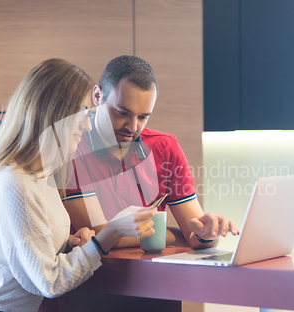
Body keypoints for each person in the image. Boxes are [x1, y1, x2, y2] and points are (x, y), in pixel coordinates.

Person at [0, 58, 156, 312]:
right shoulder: (12, 183)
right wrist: (108, 235)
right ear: (53, 114)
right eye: (81, 113)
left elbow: (29, 249)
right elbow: (48, 281)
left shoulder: (42, 176)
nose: (87, 126)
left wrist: (69, 243)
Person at [63, 55, 239, 249]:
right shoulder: (72, 148)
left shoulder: (166, 148)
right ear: (98, 96)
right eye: (122, 113)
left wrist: (208, 234)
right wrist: (176, 236)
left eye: (143, 117)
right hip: (94, 276)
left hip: (153, 273)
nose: (132, 126)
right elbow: (100, 237)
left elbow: (195, 235)